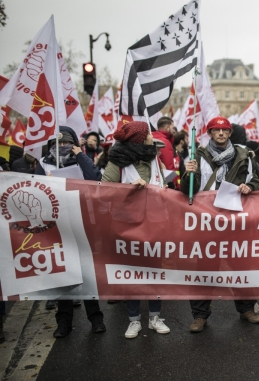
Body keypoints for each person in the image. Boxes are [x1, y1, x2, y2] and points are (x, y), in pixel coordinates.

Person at [181, 116, 259, 333]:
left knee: (240, 265)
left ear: (229, 133)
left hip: (236, 219)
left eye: (224, 130)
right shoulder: (197, 156)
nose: (220, 134)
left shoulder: (244, 155)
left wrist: (250, 187)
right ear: (209, 133)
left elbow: (257, 179)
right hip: (207, 221)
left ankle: (246, 309)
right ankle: (199, 316)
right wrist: (187, 174)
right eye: (216, 130)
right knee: (205, 268)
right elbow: (188, 190)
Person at [101, 121, 171, 338]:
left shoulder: (154, 159)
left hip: (154, 224)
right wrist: (129, 190)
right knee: (131, 274)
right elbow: (103, 192)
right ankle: (133, 320)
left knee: (154, 272)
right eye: (148, 134)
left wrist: (164, 190)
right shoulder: (117, 162)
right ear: (140, 139)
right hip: (127, 226)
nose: (152, 137)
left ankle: (155, 317)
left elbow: (161, 185)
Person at [35, 126, 106, 338]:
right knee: (63, 275)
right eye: (59, 143)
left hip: (81, 223)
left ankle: (96, 319)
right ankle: (64, 322)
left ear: (74, 144)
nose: (63, 146)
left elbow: (95, 179)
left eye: (67, 142)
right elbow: (35, 191)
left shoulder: (80, 160)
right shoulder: (44, 163)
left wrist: (80, 156)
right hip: (56, 226)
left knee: (86, 273)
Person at [152, 117, 178, 188]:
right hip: (166, 182)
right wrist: (173, 183)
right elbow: (168, 165)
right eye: (173, 128)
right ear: (167, 127)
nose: (174, 130)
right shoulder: (165, 142)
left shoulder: (154, 138)